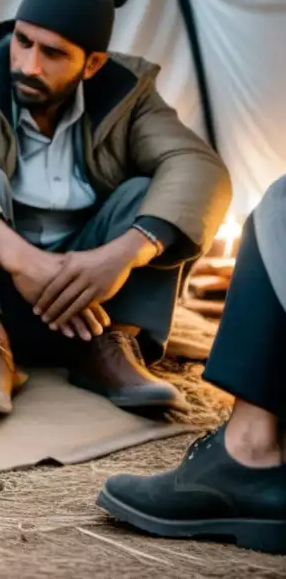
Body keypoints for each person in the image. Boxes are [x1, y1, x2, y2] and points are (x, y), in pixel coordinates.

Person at [0, 0, 231, 417]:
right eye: (22, 41)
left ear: (92, 64)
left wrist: (124, 254)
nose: (28, 65)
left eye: (52, 53)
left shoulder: (129, 94)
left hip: (94, 302)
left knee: (149, 193)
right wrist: (19, 257)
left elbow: (199, 166)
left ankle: (111, 348)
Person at [97, 176, 286, 555]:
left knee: (279, 208)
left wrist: (127, 251)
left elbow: (197, 165)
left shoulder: (128, 114)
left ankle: (248, 447)